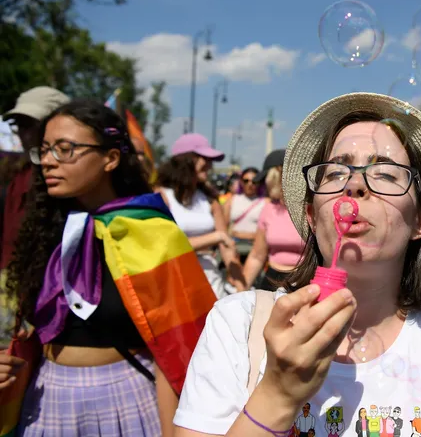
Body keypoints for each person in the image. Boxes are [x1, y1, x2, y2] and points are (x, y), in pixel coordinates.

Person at [172, 92, 421, 436]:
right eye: (336, 172)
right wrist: (277, 394)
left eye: (385, 173)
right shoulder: (238, 326)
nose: (354, 185)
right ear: (312, 215)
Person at [1, 99, 216, 435]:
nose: (48, 161)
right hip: (44, 402)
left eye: (65, 149)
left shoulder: (153, 233)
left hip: (125, 402)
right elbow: (31, 333)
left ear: (111, 158)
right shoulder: (43, 234)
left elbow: (175, 348)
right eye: (43, 151)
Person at [157, 133, 246, 298]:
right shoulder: (161, 196)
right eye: (205, 159)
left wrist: (240, 283)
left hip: (209, 279)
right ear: (186, 160)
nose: (210, 165)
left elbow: (226, 247)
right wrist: (216, 237)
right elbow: (164, 246)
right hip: (174, 278)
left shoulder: (210, 199)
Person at [1, 86, 70, 270]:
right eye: (19, 125)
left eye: (32, 124)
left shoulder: (74, 180)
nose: (25, 134)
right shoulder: (16, 175)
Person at [242, 148, 304, 291]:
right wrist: (240, 291)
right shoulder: (269, 208)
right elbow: (257, 255)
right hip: (272, 281)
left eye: (266, 179)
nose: (263, 185)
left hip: (305, 281)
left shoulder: (311, 208)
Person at [223, 166, 265, 260]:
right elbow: (223, 228)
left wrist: (248, 235)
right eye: (246, 181)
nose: (250, 184)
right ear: (241, 182)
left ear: (259, 183)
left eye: (254, 181)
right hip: (234, 249)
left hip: (256, 250)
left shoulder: (266, 202)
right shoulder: (231, 201)